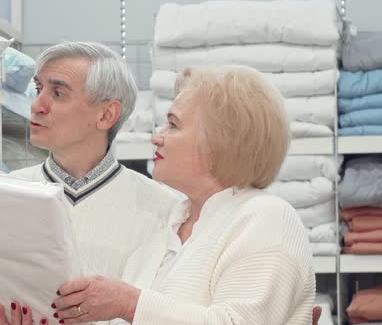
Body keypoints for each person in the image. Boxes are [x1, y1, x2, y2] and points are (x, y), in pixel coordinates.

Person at [0, 42, 182, 324]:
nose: (37, 105)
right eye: (38, 88)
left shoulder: (165, 211)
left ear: (106, 115)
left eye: (58, 93)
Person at [42, 65, 317, 324]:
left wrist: (130, 304)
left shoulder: (265, 218)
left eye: (173, 125)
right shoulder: (158, 242)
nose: (156, 137)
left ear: (220, 140)